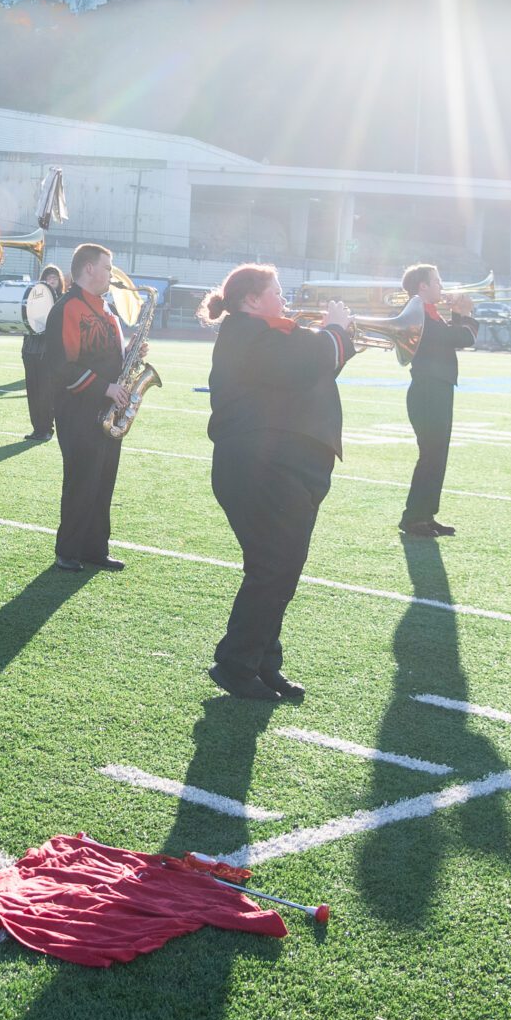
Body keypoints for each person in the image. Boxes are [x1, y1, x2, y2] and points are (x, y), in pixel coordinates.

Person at [200, 264, 356, 701]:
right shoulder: (247, 333)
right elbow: (304, 363)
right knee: (273, 568)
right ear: (252, 299)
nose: (285, 301)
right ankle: (236, 663)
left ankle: (262, 661)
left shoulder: (270, 334)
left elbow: (315, 369)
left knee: (278, 569)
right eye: (277, 292)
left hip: (285, 465)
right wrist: (335, 331)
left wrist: (334, 337)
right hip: (263, 466)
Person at [52, 244, 129, 573]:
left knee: (103, 480)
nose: (112, 273)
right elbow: (61, 367)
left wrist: (132, 357)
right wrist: (104, 387)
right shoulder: (67, 308)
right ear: (87, 269)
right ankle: (68, 550)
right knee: (82, 481)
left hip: (108, 410)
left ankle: (95, 548)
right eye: (107, 267)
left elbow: (111, 358)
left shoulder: (106, 309)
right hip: (79, 411)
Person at [396, 263, 477, 538]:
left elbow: (451, 338)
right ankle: (413, 517)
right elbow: (460, 338)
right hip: (428, 391)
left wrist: (458, 315)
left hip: (436, 388)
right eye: (437, 282)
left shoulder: (428, 312)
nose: (442, 287)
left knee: (437, 455)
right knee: (431, 454)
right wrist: (463, 315)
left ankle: (426, 514)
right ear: (423, 286)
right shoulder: (418, 314)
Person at [18, 263, 66, 442]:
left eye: (54, 277)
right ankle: (37, 428)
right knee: (33, 392)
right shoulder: (33, 298)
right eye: (47, 277)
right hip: (30, 350)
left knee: (46, 393)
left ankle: (46, 429)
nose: (50, 280)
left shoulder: (62, 300)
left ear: (59, 281)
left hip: (48, 353)